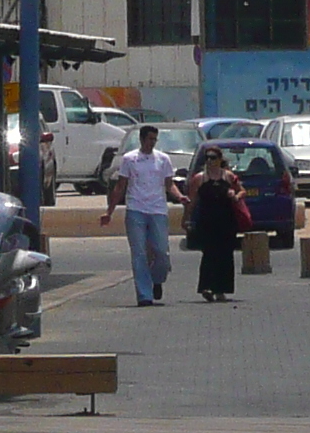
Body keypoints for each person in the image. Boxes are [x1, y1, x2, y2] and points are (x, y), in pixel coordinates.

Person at [103, 124, 179, 305]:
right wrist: (109, 211)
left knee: (161, 251)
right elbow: (120, 186)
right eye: (149, 139)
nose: (152, 143)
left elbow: (169, 184)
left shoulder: (163, 159)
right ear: (142, 139)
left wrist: (180, 196)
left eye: (155, 139)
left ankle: (157, 279)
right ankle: (144, 294)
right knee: (139, 253)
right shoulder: (130, 159)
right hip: (136, 209)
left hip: (158, 210)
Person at [186, 146, 248, 302]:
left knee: (226, 254)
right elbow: (192, 201)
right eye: (207, 158)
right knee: (209, 254)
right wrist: (186, 218)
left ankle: (222, 289)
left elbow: (242, 191)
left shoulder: (228, 177)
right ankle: (207, 287)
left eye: (213, 157)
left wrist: (235, 195)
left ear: (220, 159)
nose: (209, 161)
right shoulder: (199, 178)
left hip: (226, 221)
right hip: (207, 221)